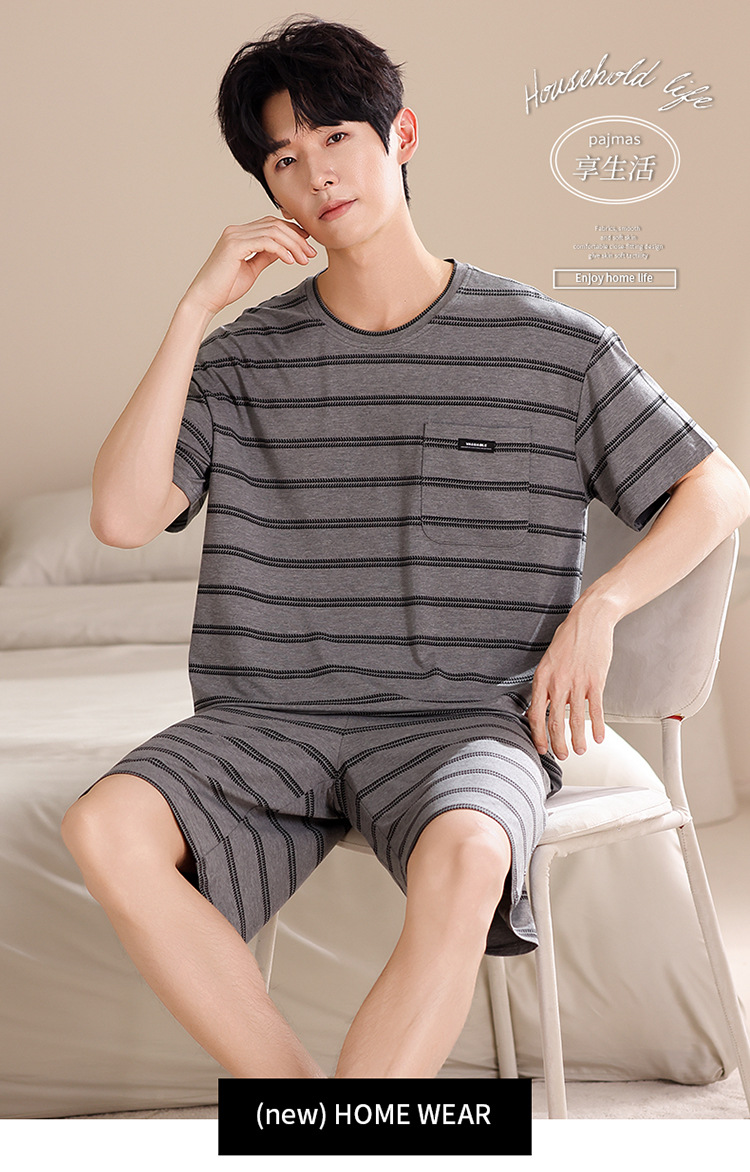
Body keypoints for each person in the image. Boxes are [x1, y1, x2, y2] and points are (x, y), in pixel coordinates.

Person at [61, 15, 750, 1081]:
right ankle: (321, 1124)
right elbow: (119, 517)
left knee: (471, 852)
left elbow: (717, 487)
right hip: (268, 716)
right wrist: (195, 310)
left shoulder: (550, 345)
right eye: (283, 159)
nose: (316, 175)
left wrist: (601, 606)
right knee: (104, 828)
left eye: (336, 136)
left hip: (465, 719)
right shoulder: (240, 360)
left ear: (403, 136)